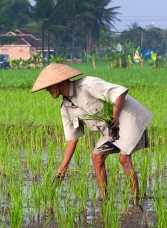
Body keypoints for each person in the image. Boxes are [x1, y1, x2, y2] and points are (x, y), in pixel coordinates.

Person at [31, 63, 153, 210]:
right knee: (96, 157)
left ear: (60, 82)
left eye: (49, 86)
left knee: (124, 158)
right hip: (111, 128)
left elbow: (120, 93)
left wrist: (115, 115)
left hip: (127, 118)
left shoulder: (87, 84)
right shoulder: (66, 107)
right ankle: (104, 201)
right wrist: (61, 170)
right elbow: (72, 139)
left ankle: (137, 202)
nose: (47, 90)